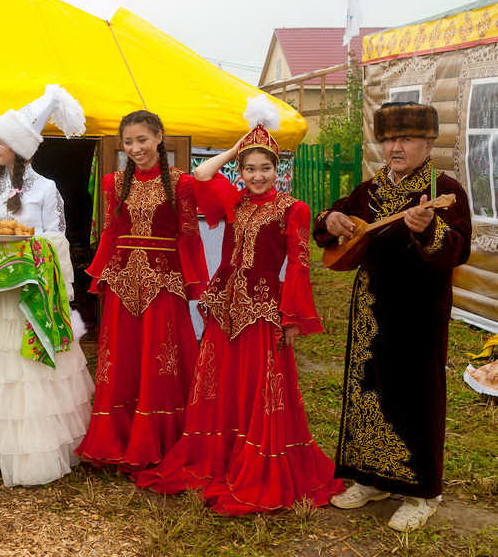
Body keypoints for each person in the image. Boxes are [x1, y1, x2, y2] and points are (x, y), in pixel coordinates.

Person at [134, 96, 343, 513]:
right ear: (241, 171)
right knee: (221, 384)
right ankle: (223, 453)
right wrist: (235, 149)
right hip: (227, 304)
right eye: (250, 168)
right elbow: (200, 173)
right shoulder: (235, 202)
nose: (258, 175)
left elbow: (299, 266)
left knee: (260, 386)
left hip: (264, 308)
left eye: (266, 167)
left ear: (277, 170)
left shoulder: (293, 209)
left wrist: (293, 316)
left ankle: (257, 458)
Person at [314, 102, 472, 531]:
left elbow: (458, 249)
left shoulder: (446, 189)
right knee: (367, 388)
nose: (395, 147)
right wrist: (331, 219)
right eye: (388, 140)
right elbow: (325, 228)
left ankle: (423, 492)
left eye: (404, 139)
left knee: (416, 394)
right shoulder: (368, 191)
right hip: (371, 305)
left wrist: (428, 229)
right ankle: (370, 479)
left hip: (420, 309)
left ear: (427, 142)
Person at [0, 85, 94, 486]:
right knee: (1, 368)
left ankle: (37, 450)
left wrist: (27, 244)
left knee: (30, 367)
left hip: (30, 293)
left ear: (16, 146)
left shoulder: (47, 188)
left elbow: (57, 239)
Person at [75, 110, 210, 471]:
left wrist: (194, 283)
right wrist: (100, 273)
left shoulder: (181, 183)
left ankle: (160, 440)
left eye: (142, 140)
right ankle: (115, 440)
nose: (135, 148)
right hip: (122, 284)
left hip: (163, 284)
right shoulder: (112, 182)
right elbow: (111, 232)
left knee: (159, 361)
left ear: (159, 137)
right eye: (128, 142)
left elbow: (188, 234)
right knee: (121, 360)